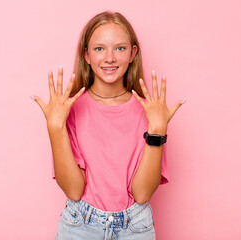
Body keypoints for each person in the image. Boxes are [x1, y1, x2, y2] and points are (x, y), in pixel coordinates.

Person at [31, 11, 185, 240]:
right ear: (87, 55)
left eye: (120, 48)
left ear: (133, 53)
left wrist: (157, 131)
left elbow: (142, 194)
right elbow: (73, 190)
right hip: (79, 226)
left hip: (135, 227)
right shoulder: (71, 109)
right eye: (99, 48)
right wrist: (55, 128)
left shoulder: (150, 112)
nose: (110, 58)